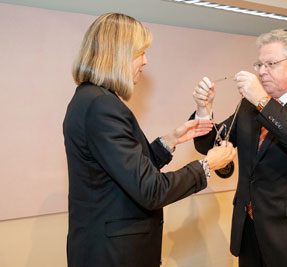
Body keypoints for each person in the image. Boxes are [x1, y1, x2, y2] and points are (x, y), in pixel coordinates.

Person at [63, 13, 236, 267]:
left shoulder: (90, 99)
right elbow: (151, 189)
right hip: (113, 254)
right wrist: (208, 165)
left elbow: (125, 171)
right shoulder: (103, 106)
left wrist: (168, 141)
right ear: (119, 53)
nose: (145, 61)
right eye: (140, 52)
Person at [192, 29, 287, 267]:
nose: (261, 71)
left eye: (270, 63)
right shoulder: (248, 108)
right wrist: (203, 110)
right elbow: (211, 143)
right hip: (250, 231)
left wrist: (263, 101)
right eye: (258, 64)